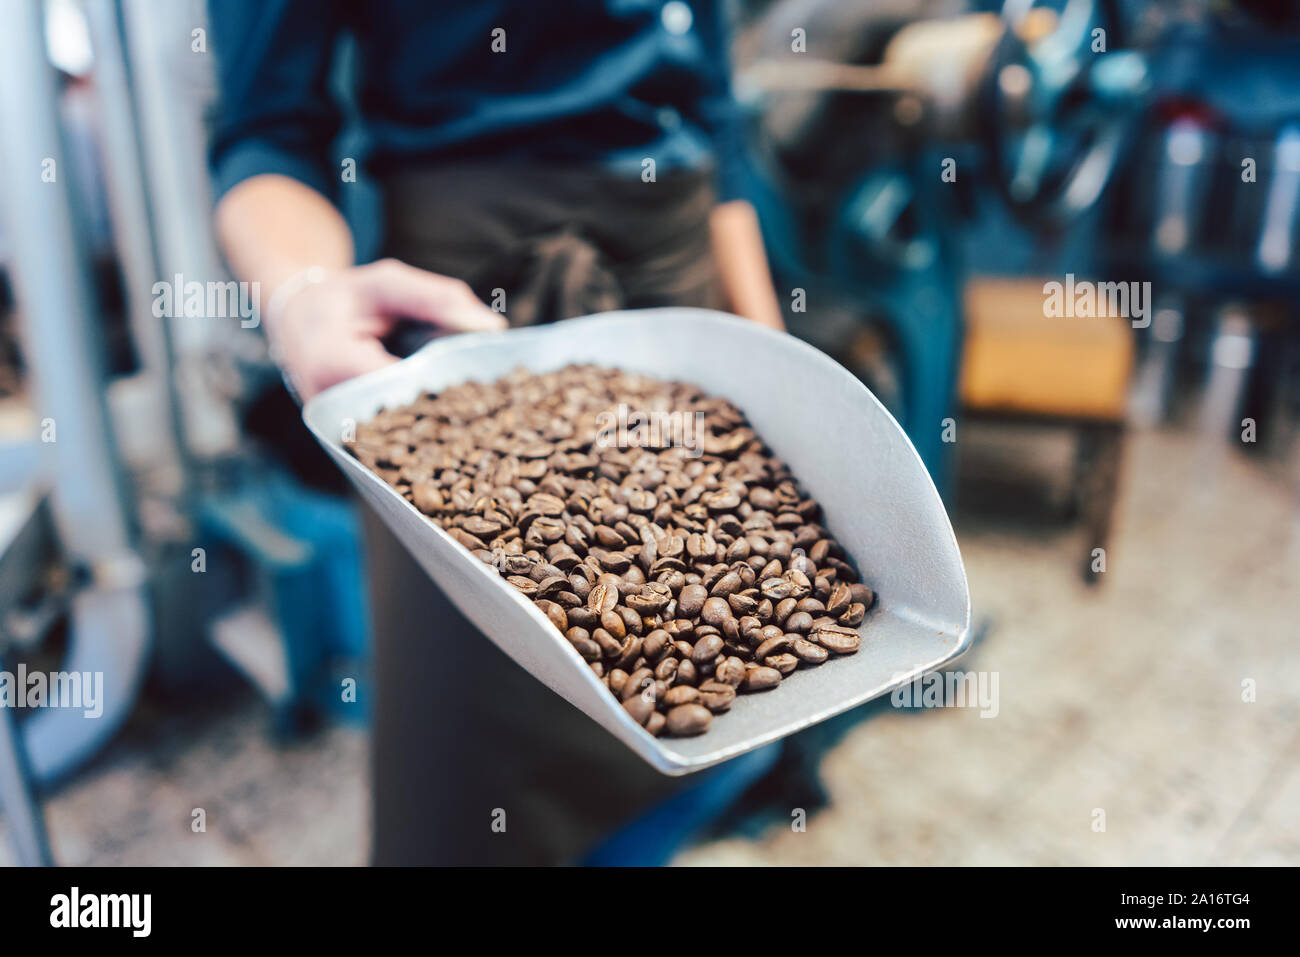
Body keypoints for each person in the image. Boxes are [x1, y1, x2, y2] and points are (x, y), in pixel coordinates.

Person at [208, 0, 785, 864]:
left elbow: (714, 113)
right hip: (465, 326)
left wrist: (769, 353)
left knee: (711, 689)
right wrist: (302, 302)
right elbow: (265, 130)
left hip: (677, 289)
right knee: (470, 771)